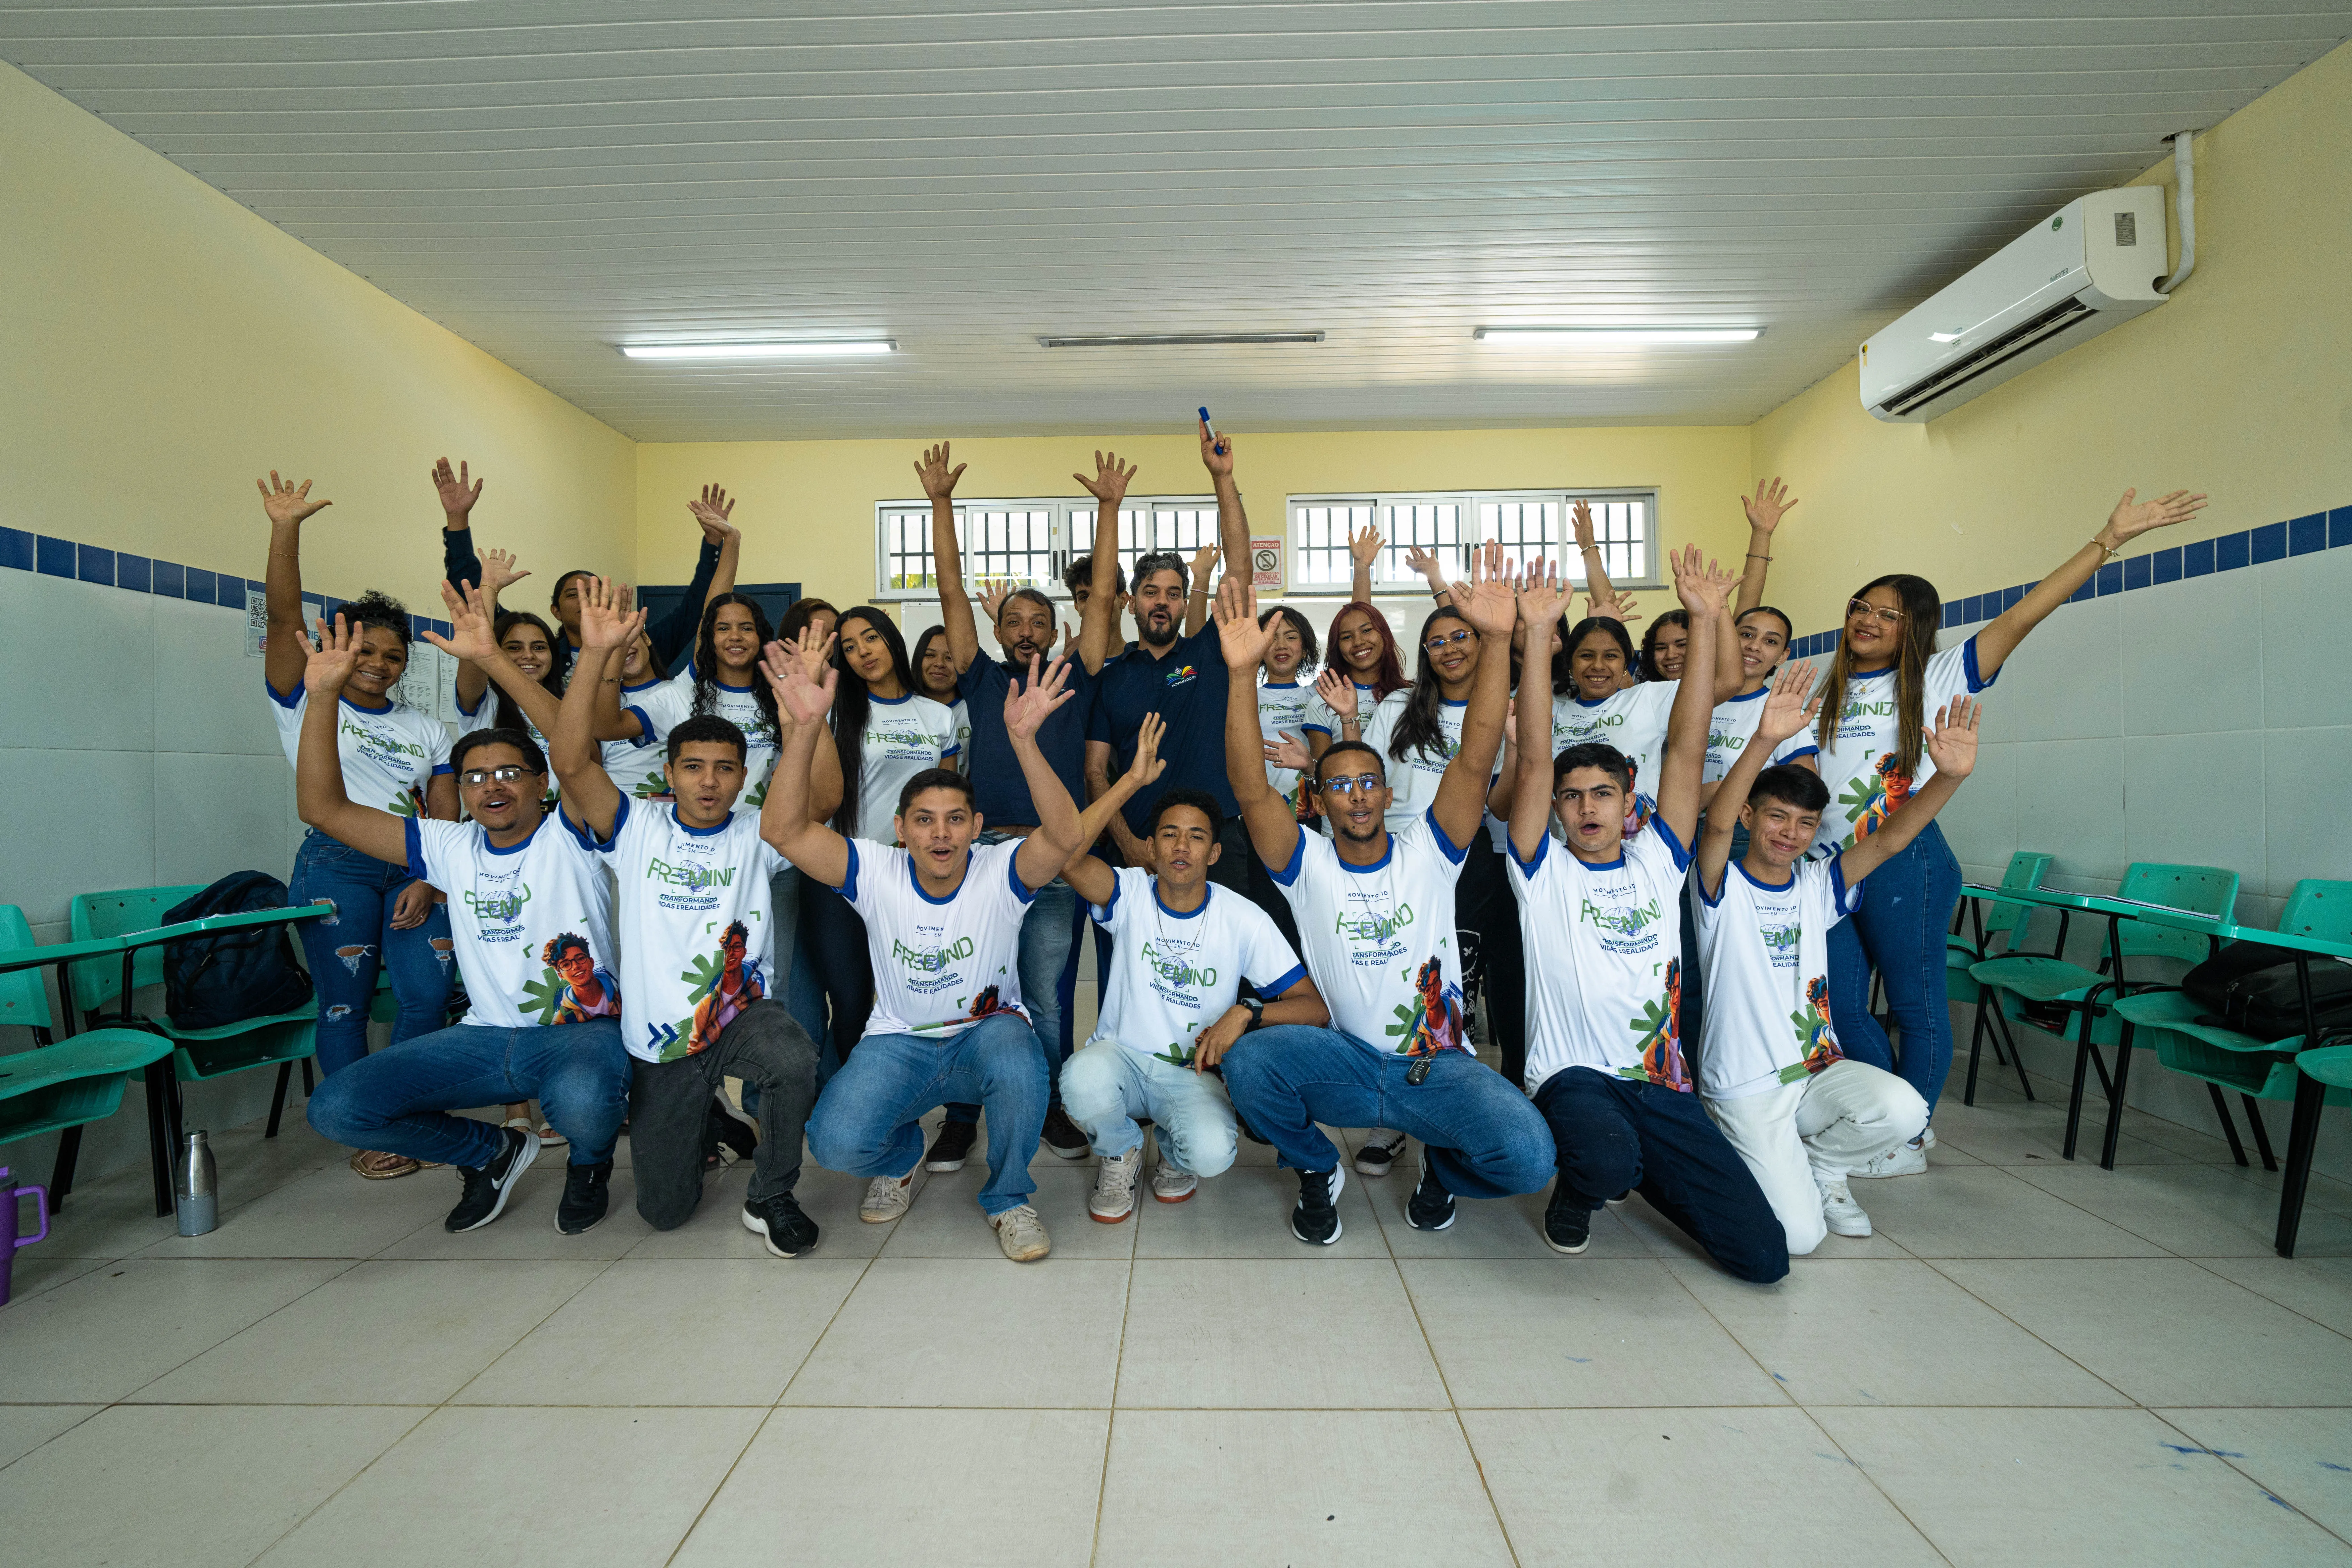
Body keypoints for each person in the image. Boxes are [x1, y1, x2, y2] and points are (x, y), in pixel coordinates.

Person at [1810, 485, 2207, 1163]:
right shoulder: (1825, 687)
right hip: (1829, 867)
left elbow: (2024, 616)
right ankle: (1887, 1117)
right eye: (1862, 606)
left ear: (1917, 628)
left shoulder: (1942, 674)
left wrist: (2107, 540)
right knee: (1839, 1008)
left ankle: (1908, 1132)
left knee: (1916, 1005)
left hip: (1909, 863)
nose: (1869, 619)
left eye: (1889, 614)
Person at [1213, 570, 1555, 1246]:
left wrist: (1494, 640)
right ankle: (1317, 1167)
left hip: (1436, 1065)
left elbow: (1478, 750)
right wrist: (1239, 675)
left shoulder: (1430, 849)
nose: (1360, 795)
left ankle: (1442, 1173)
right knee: (1250, 1065)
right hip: (1341, 1059)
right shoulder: (1304, 863)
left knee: (1530, 1156)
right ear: (1322, 797)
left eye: (1369, 779)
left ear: (1385, 786)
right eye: (1340, 785)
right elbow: (1251, 787)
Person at [292, 612, 631, 1234]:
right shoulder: (447, 845)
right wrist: (320, 698)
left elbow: (576, 752)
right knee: (337, 1107)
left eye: (509, 773)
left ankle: (589, 1164)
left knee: (582, 1102)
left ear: (541, 781)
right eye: (474, 777)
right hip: (484, 1039)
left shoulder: (572, 830)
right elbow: (323, 807)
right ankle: (491, 1154)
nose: (490, 787)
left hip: (577, 1032)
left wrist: (497, 660)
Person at [1504, 548, 1787, 1281]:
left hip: (1660, 1078)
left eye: (1604, 793)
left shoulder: (1661, 861)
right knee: (1607, 1155)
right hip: (1573, 1074)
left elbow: (1687, 744)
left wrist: (1703, 617)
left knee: (1764, 1258)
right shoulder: (1542, 870)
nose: (1588, 806)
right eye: (1574, 796)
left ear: (1631, 801)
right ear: (1558, 809)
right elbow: (1535, 759)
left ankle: (1634, 1161)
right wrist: (1537, 635)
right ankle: (1585, 1182)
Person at [776, 643, 1089, 1263]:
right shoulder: (874, 868)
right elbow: (783, 831)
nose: (939, 833)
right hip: (900, 1041)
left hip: (987, 1033)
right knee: (833, 1143)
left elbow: (1067, 835)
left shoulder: (1001, 869)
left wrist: (1025, 741)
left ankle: (1007, 1198)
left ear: (976, 827)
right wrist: (806, 730)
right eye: (923, 820)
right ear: (900, 828)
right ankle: (902, 1157)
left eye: (954, 820)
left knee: (1022, 1060)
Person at [545, 578, 827, 1258]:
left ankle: (772, 1193)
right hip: (661, 1038)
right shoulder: (633, 825)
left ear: (743, 778)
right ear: (667, 773)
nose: (709, 781)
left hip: (738, 1015)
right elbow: (571, 759)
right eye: (694, 767)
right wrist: (595, 655)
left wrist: (808, 721)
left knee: (792, 1055)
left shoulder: (763, 831)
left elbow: (816, 801)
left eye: (725, 769)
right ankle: (707, 1120)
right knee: (664, 1213)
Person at [1694, 663, 1980, 1249]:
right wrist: (1767, 739)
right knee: (1798, 1239)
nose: (1789, 833)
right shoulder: (1719, 885)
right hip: (1744, 1086)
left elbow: (1890, 839)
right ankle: (1738, 1147)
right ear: (1751, 817)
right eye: (1775, 816)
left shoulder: (1816, 886)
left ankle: (1822, 1170)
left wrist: (1948, 778)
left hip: (1814, 1073)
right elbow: (1717, 821)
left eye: (1804, 824)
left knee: (1904, 1112)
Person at [923, 441, 1124, 1171]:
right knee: (968, 990)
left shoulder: (1081, 675)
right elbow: (950, 592)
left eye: (1039, 619)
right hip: (977, 862)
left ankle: (1047, 1105)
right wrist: (941, 505)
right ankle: (961, 1114)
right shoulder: (979, 677)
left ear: (1053, 628)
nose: (1028, 628)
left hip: (1055, 861)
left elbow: (1101, 598)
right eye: (1016, 619)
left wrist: (1108, 510)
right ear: (1001, 629)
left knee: (1044, 997)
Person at [257, 471, 457, 1182]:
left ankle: (407, 1114)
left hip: (413, 867)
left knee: (427, 996)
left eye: (392, 655)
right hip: (335, 866)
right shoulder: (307, 697)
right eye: (365, 651)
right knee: (343, 1004)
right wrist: (287, 531)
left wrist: (432, 879)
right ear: (338, 647)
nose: (377, 665)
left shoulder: (427, 726)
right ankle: (367, 1128)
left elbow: (445, 813)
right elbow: (282, 624)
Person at [1057, 716, 1328, 1220]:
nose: (1182, 847)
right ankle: (1121, 1152)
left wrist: (1248, 1011)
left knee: (1211, 1154)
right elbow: (1067, 857)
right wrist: (1130, 783)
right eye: (1170, 835)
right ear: (1152, 848)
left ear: (1215, 851)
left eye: (1197, 837)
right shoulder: (1131, 892)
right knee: (1080, 1083)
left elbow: (1314, 1008)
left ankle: (1174, 1155)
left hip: (1193, 1071)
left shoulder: (1243, 917)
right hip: (1122, 1058)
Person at [1083, 416, 1256, 892]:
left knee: (1224, 966)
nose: (1163, 601)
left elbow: (1239, 569)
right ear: (1132, 601)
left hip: (1217, 845)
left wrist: (1223, 479)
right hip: (1138, 850)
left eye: (1175, 593)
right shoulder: (1109, 678)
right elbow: (1095, 772)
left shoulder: (1211, 654)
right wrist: (1128, 843)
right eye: (1152, 592)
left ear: (1185, 602)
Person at [799, 607, 962, 1062]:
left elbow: (945, 802)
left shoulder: (938, 717)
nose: (862, 652)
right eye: (849, 647)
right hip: (842, 872)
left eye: (870, 638)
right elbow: (820, 797)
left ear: (891, 638)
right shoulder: (835, 714)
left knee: (910, 996)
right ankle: (848, 1096)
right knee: (851, 1001)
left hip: (909, 877)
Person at [433, 459, 738, 680]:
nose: (586, 601)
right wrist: (457, 521)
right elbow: (471, 596)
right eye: (573, 595)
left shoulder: (639, 648)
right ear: (555, 611)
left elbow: (699, 606)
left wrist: (714, 540)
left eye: (594, 593)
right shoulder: (537, 651)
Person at [911, 624, 973, 768]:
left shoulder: (974, 709)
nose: (939, 664)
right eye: (930, 655)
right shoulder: (903, 707)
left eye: (950, 658)